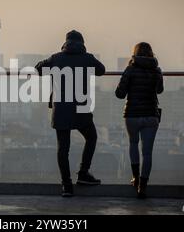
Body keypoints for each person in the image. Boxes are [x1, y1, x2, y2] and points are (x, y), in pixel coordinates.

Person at [35, 30, 106, 197]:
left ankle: (66, 186)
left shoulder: (56, 58)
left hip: (61, 109)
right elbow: (101, 70)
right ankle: (83, 173)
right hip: (81, 108)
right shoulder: (87, 58)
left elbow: (38, 68)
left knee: (63, 148)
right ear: (82, 43)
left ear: (65, 43)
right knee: (91, 137)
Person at [115, 42, 164, 199]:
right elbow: (159, 90)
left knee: (133, 144)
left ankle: (135, 178)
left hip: (132, 115)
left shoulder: (130, 70)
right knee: (147, 152)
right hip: (151, 114)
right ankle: (143, 186)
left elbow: (120, 94)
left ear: (134, 53)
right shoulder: (156, 70)